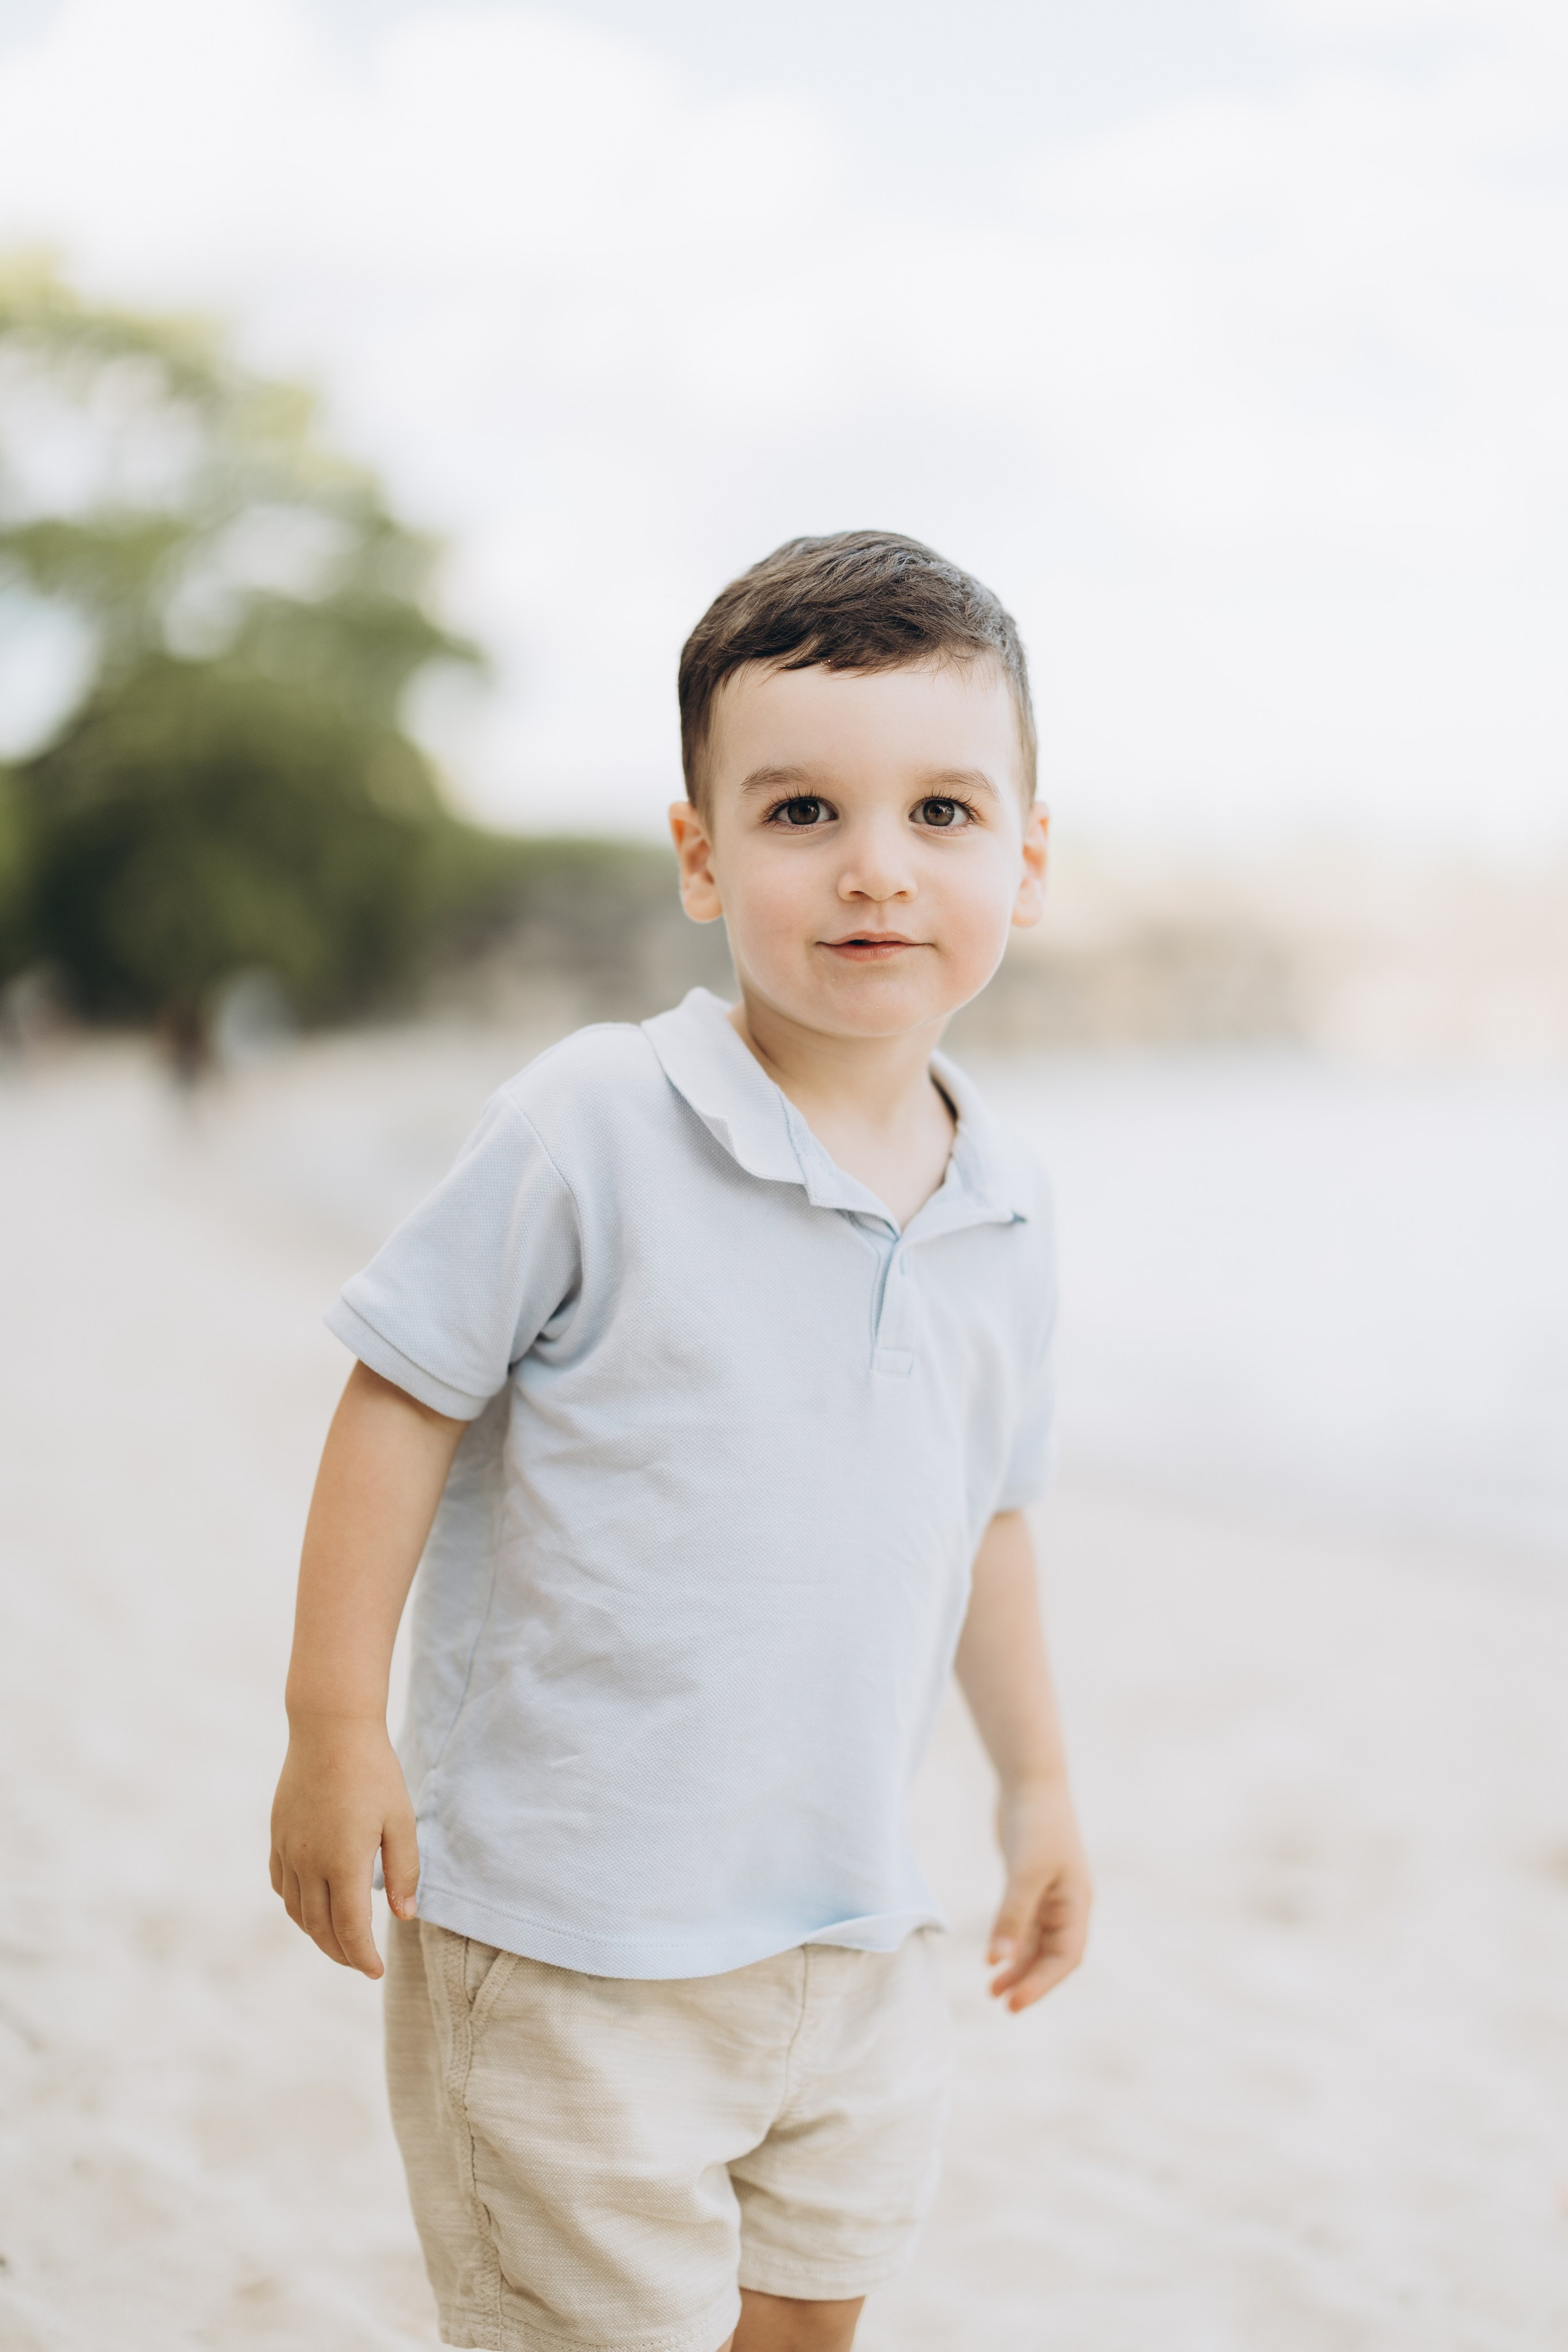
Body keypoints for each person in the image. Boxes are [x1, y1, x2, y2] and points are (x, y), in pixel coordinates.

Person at [269, 530, 1092, 2352]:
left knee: (809, 2325)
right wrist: (335, 1727)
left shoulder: (1008, 1201)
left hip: (852, 1928)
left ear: (1027, 863)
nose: (877, 869)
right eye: (804, 812)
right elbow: (400, 1394)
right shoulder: (594, 1123)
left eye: (943, 813)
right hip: (573, 1938)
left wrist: (1036, 1787)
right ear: (703, 855)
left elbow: (992, 1519)